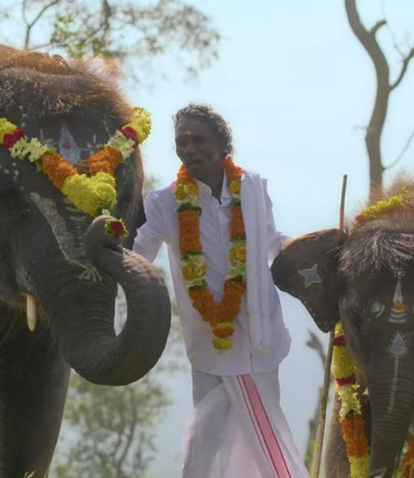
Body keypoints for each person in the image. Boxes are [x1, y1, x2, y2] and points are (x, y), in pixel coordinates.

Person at [132, 103, 309, 478]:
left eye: (199, 140)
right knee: (206, 434)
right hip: (209, 339)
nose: (189, 148)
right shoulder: (164, 202)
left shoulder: (253, 187)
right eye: (182, 141)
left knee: (264, 429)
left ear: (222, 144)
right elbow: (141, 253)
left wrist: (312, 254)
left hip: (260, 334)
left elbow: (274, 240)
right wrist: (110, 262)